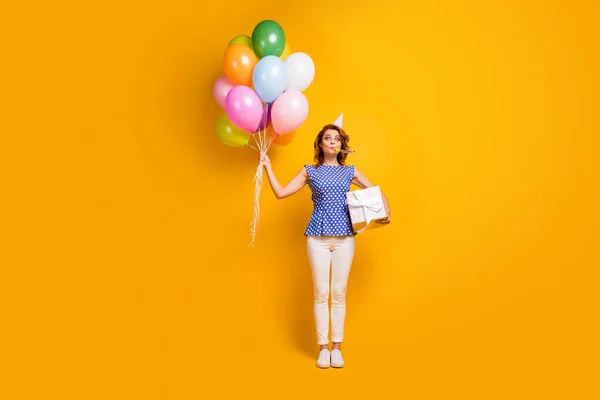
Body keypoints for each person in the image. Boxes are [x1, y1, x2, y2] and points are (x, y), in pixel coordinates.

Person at [260, 117, 391, 368]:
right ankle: (323, 349)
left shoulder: (349, 171)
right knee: (321, 293)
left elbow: (376, 190)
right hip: (317, 238)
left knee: (339, 293)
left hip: (345, 239)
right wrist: (267, 166)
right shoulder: (310, 171)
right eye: (328, 138)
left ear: (342, 145)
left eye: (337, 138)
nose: (332, 141)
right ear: (320, 144)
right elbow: (281, 193)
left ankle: (337, 349)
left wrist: (386, 208)